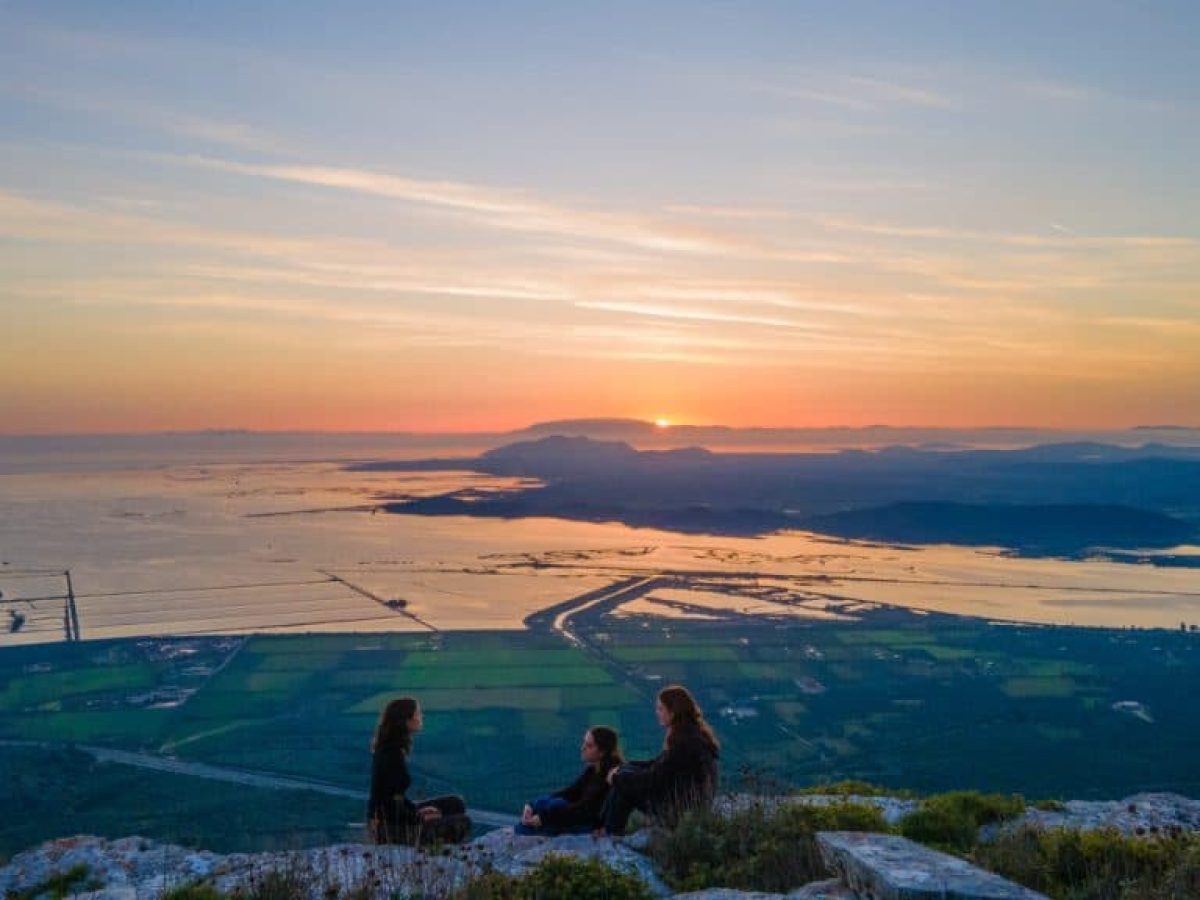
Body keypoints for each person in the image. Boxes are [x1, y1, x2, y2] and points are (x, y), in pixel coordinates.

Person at [599, 685, 719, 835]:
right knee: (625, 772)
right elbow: (658, 765)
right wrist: (624, 767)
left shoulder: (684, 743)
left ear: (673, 712)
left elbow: (654, 779)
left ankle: (609, 834)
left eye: (660, 709)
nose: (657, 713)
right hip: (685, 805)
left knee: (623, 786)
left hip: (679, 812)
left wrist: (617, 778)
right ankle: (604, 828)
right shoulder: (690, 734)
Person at [367, 696, 472, 845]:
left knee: (455, 804)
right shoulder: (391, 755)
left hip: (394, 818)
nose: (421, 717)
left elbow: (396, 797)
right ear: (406, 720)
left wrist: (417, 811)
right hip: (390, 829)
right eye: (417, 713)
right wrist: (418, 817)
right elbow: (388, 804)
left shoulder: (391, 749)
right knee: (463, 822)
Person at [516, 726, 623, 836]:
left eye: (589, 746)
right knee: (551, 803)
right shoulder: (593, 769)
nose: (583, 748)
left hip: (588, 825)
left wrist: (544, 818)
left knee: (553, 808)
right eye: (584, 743)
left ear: (602, 752)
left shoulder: (609, 777)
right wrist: (532, 805)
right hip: (577, 818)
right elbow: (570, 792)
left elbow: (584, 811)